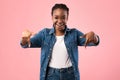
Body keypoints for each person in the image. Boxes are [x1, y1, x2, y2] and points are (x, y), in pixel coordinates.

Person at [20, 3, 100, 80]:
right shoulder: (44, 34)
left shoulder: (74, 34)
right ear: (52, 17)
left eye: (63, 17)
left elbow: (93, 42)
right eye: (56, 17)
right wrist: (24, 38)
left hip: (70, 74)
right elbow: (25, 44)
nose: (60, 21)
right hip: (50, 75)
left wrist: (94, 37)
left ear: (67, 18)